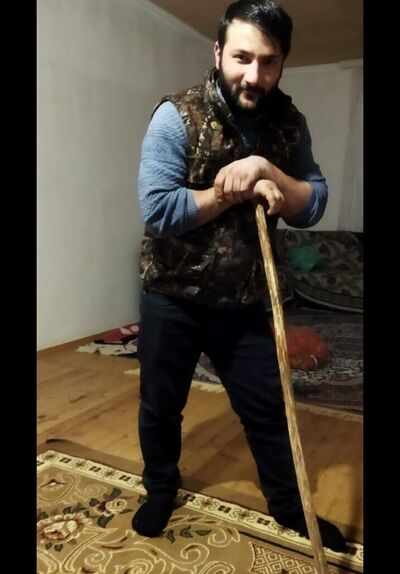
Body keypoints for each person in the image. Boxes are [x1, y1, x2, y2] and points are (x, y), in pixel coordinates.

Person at [132, 0, 347, 553]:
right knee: (161, 406)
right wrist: (235, 191)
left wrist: (268, 169)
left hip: (246, 300)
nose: (254, 75)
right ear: (218, 52)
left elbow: (314, 202)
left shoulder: (290, 123)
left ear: (282, 63)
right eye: (242, 58)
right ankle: (161, 488)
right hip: (173, 295)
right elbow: (159, 211)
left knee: (268, 411)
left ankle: (290, 507)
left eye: (268, 61)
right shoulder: (175, 116)